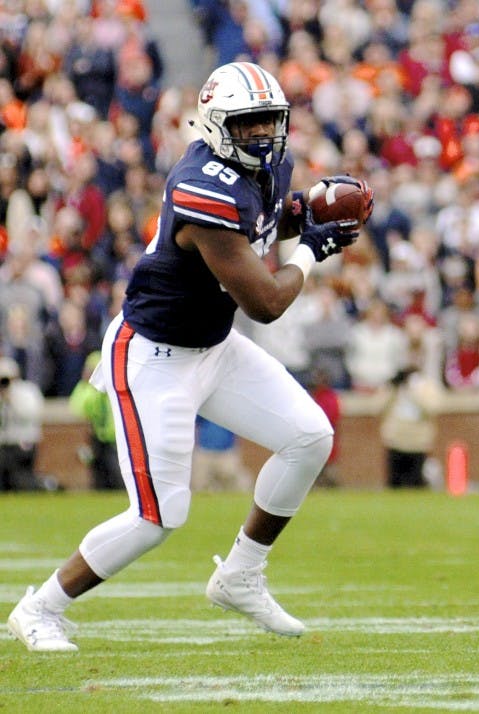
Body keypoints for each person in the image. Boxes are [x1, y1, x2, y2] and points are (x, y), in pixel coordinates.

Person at [7, 62, 373, 652]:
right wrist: (309, 250)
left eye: (268, 123)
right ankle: (38, 608)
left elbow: (263, 220)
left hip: (212, 344)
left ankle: (241, 574)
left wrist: (308, 208)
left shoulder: (268, 166)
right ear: (216, 125)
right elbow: (267, 301)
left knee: (309, 435)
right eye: (248, 124)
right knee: (157, 516)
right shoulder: (200, 184)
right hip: (153, 356)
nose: (261, 135)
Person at [68, 351, 123, 491]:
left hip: (113, 437)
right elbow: (77, 407)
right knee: (100, 473)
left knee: (116, 473)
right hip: (100, 436)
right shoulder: (89, 390)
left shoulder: (107, 388)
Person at [0, 356, 44, 491]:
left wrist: (11, 398)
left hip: (24, 442)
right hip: (4, 444)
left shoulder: (27, 391)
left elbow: (31, 414)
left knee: (21, 479)